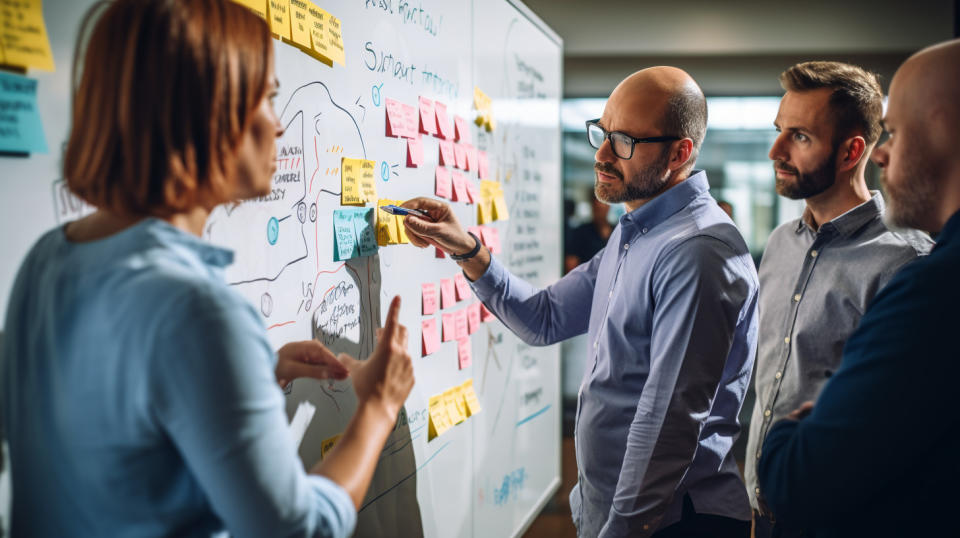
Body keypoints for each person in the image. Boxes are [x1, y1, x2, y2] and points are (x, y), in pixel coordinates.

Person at [0, 1, 414, 536]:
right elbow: (296, 528)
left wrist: (254, 373)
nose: (280, 124)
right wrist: (379, 408)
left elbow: (112, 433)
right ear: (208, 113)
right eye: (266, 98)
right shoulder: (198, 311)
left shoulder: (46, 260)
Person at [402, 67, 758, 537]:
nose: (603, 154)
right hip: (619, 516)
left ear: (679, 153)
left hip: (668, 525)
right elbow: (544, 317)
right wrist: (467, 249)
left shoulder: (696, 252)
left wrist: (621, 529)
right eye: (603, 133)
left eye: (624, 141)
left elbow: (666, 424)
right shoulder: (635, 235)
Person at [757, 39, 960, 538]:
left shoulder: (910, 262)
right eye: (779, 131)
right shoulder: (779, 244)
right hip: (764, 515)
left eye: (799, 137)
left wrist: (792, 441)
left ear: (852, 151)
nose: (775, 151)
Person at [564, 191, 613, 273]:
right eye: (598, 208)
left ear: (608, 207)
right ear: (592, 206)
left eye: (603, 207)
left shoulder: (617, 231)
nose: (601, 212)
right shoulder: (580, 232)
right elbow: (571, 265)